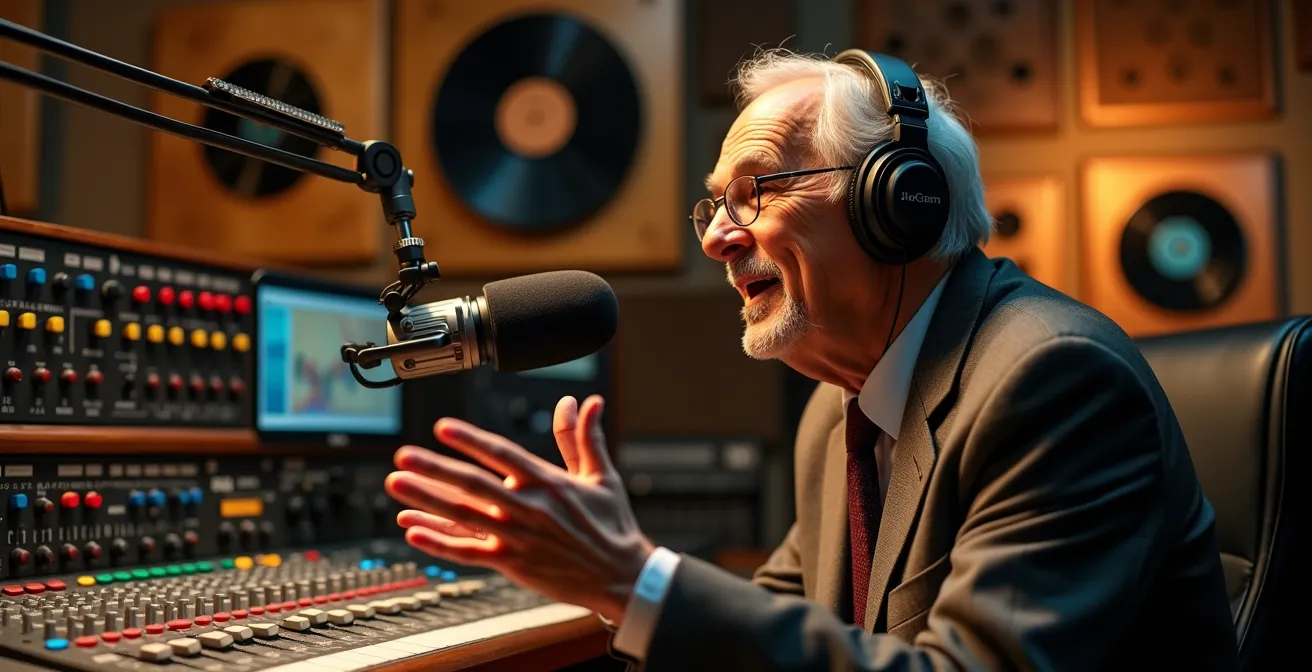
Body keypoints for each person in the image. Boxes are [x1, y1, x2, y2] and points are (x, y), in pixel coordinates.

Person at [384, 48, 1239, 670]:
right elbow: (781, 630)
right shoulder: (840, 409)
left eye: (753, 192)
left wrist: (637, 578)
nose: (717, 239)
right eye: (713, 206)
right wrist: (613, 584)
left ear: (896, 202)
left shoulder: (1053, 379)